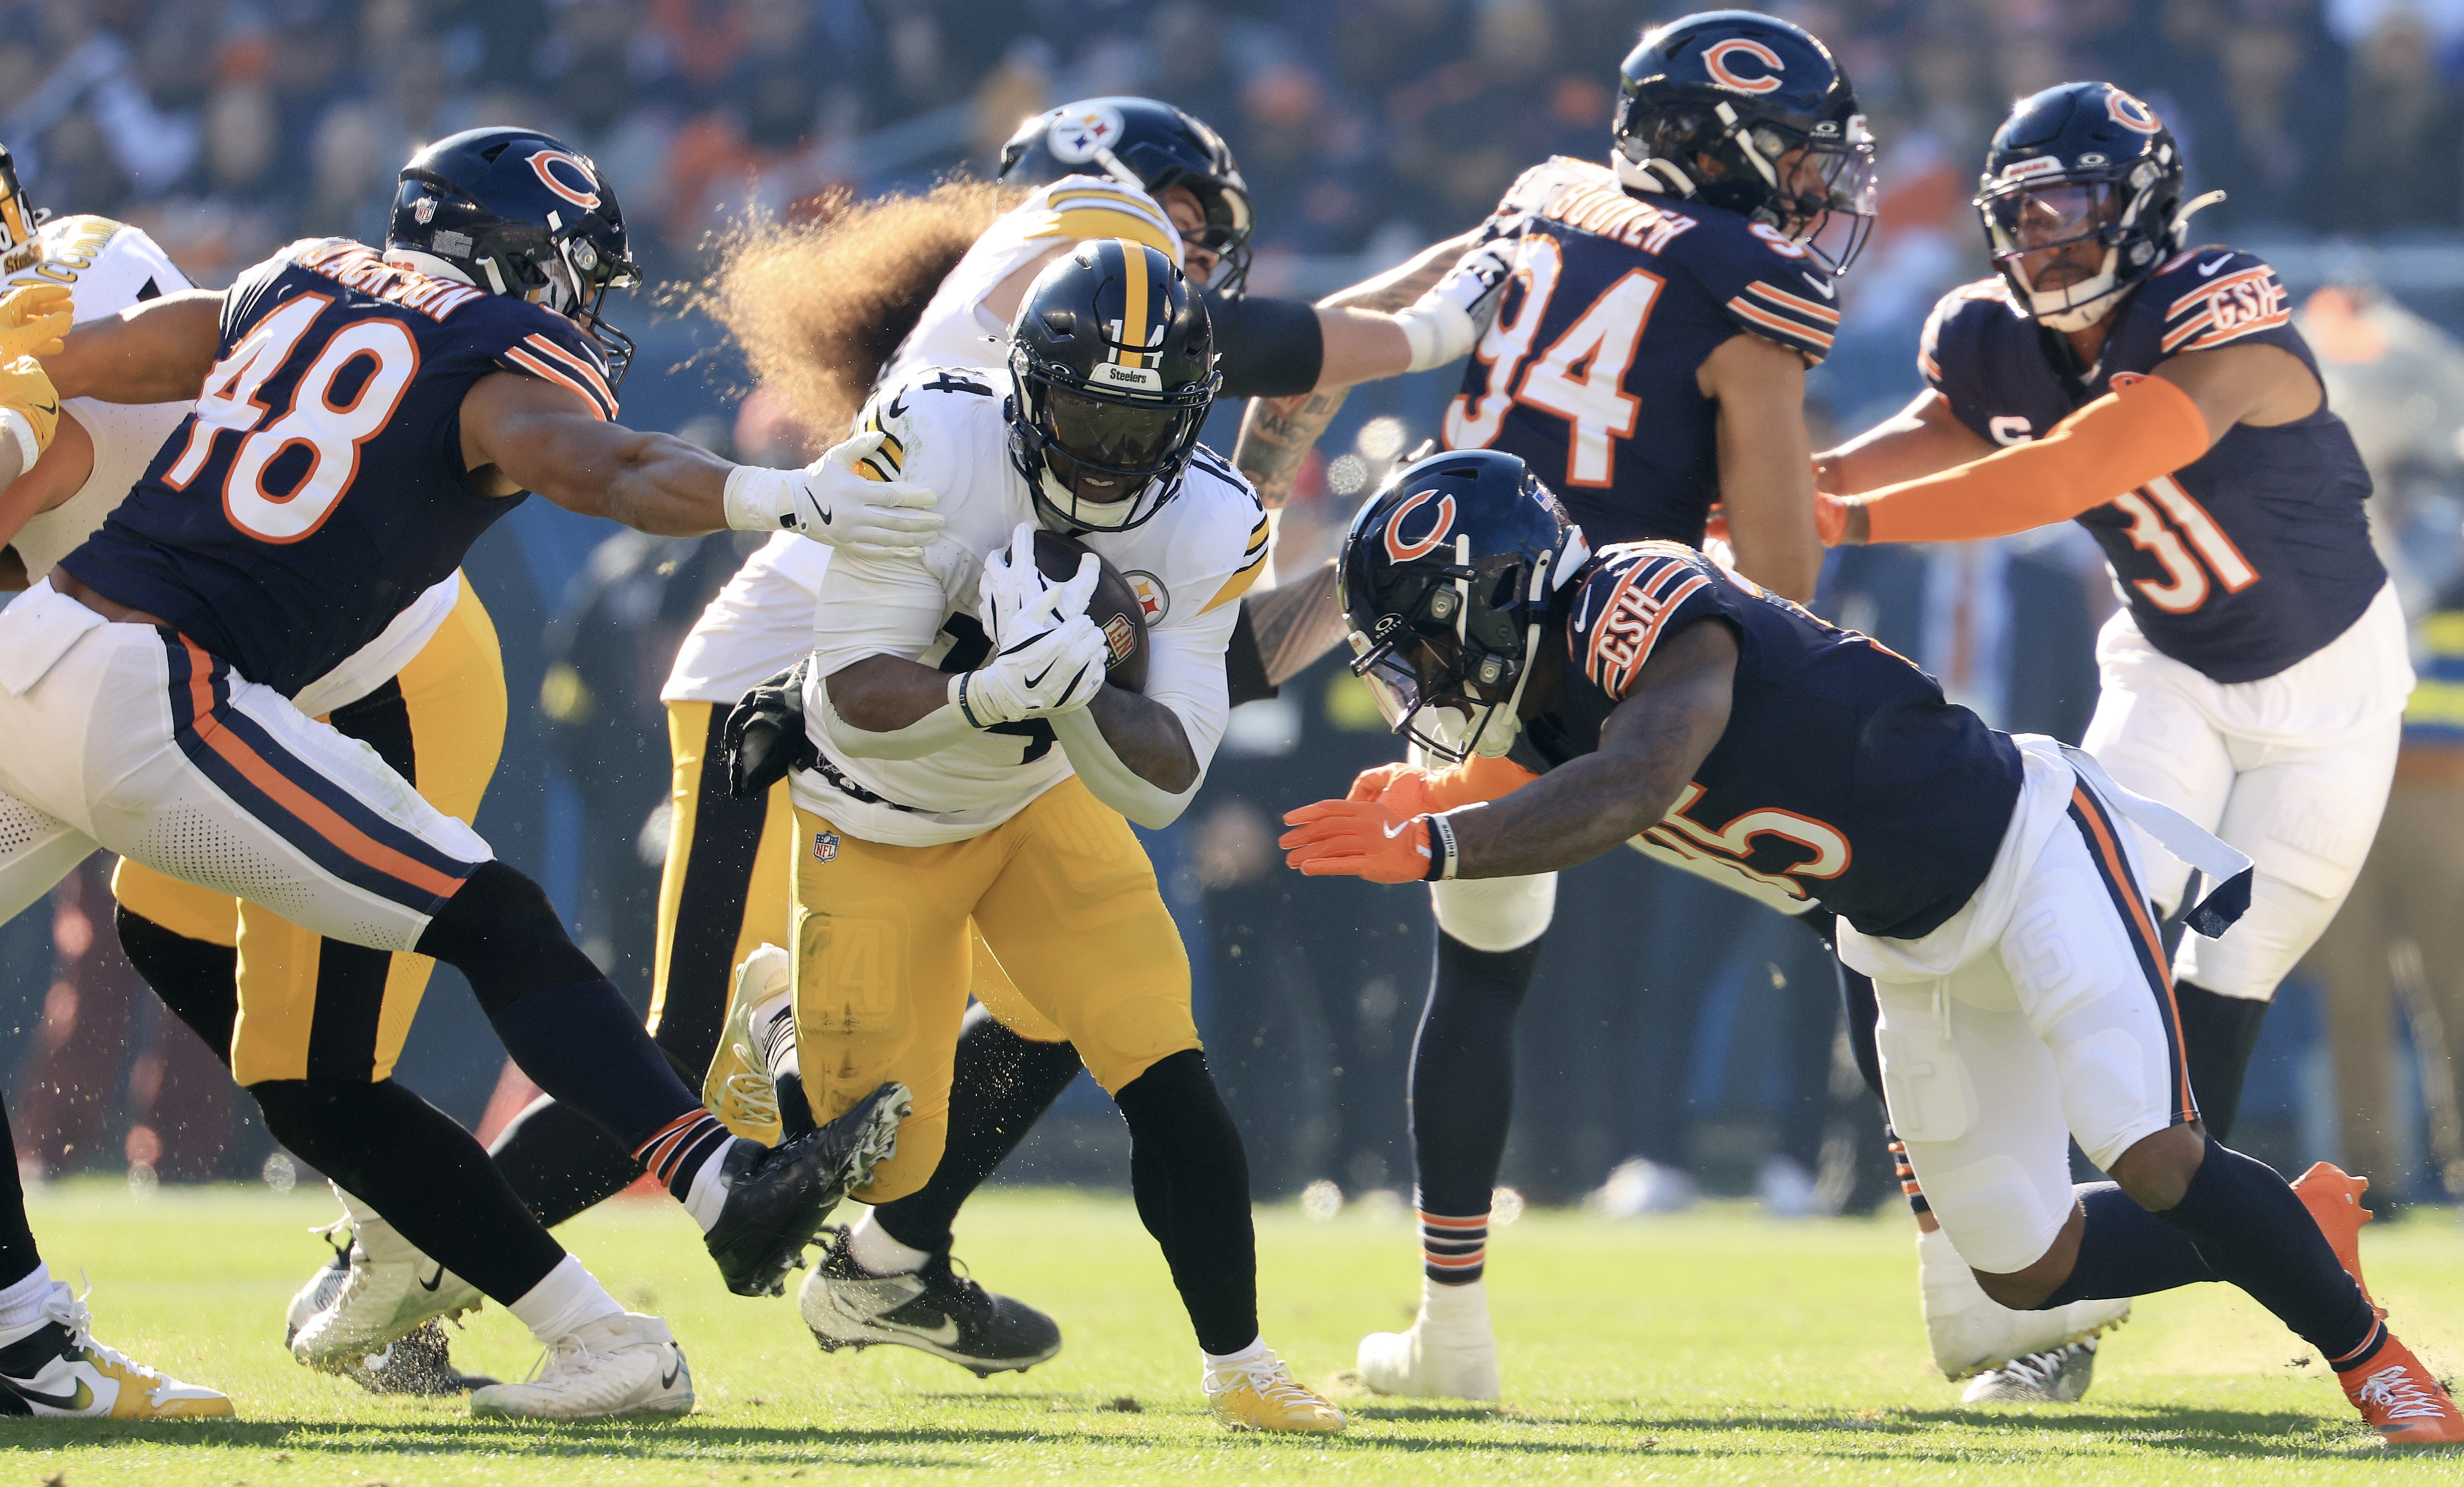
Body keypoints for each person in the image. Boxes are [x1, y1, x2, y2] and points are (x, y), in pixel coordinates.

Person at [472, 93, 1512, 1379]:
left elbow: (1204, 630)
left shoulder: (1103, 390)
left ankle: (893, 1259)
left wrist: (1340, 562)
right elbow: (1277, 343)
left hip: (978, 734)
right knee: (682, 1056)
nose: (1190, 261)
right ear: (1110, 189)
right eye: (1186, 216)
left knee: (1069, 999)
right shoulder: (1079, 253)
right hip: (800, 698)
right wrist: (1442, 319)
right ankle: (417, 1257)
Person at [1284, 447, 2463, 1448]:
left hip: (2028, 853)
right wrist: (1435, 793)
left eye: (1426, 645)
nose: (1422, 679)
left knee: (2149, 1149)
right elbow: (1558, 767)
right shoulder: (1544, 697)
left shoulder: (1638, 593)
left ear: (1496, 594)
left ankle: (2381, 1369)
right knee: (2023, 1269)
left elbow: (1635, 777)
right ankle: (2294, 1231)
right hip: (1907, 944)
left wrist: (1438, 843)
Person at [22, 126, 935, 1418]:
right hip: (158, 696)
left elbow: (93, 359)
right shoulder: (490, 348)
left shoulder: (292, 275)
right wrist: (782, 496)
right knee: (496, 921)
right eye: (575, 277)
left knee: (293, 1025)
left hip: (29, 657)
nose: (584, 308)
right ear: (522, 259)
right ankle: (716, 1184)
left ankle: (38, 1326)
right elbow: (610, 468)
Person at [1255, 10, 1881, 1401]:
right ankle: (1970, 1270)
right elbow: (1780, 579)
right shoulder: (1748, 282)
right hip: (1624, 647)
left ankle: (1452, 1333)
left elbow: (1346, 338)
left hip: (1459, 647)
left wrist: (1249, 496)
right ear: (1714, 148)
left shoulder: (1545, 197)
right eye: (1792, 154)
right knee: (1874, 912)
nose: (1811, 185)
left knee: (1480, 976)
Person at [1814, 82, 2410, 1398]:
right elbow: (1949, 434)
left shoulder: (2214, 306)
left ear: (2140, 209)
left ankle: (2192, 1263)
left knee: (2209, 1011)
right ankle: (2048, 1307)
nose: (2041, 241)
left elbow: (2079, 465)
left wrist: (1840, 521)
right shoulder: (1987, 337)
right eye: (2019, 215)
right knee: (2071, 949)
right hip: (2167, 672)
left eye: (2069, 208)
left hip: (2327, 697)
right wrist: (1808, 482)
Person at [744, 240, 1338, 1431]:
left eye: (1141, 426)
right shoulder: (934, 439)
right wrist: (988, 693)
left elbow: (1169, 774)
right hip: (876, 815)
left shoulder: (1210, 516)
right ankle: (775, 1018)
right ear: (1022, 390)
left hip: (1034, 805)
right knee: (889, 1161)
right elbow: (844, 691)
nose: (1109, 455)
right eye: (1084, 416)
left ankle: (1241, 1365)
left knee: (1158, 1055)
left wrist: (1079, 697)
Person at [0, 151, 238, 1420]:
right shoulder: (78, 279)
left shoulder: (68, 297)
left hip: (152, 678)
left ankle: (19, 1333)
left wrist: (26, 408)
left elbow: (69, 439)